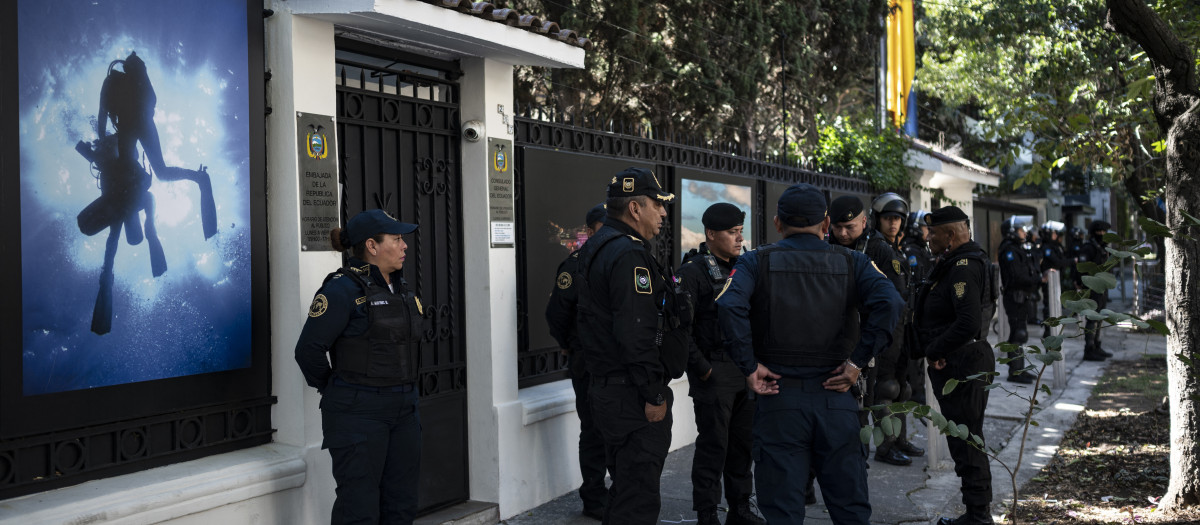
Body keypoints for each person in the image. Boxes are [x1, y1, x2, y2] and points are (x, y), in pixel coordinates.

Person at [717, 183, 904, 524]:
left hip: (779, 399)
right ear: (825, 224)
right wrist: (856, 362)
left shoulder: (755, 261)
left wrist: (748, 365)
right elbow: (891, 302)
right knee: (849, 508)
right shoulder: (854, 262)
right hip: (836, 396)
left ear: (777, 223)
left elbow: (729, 305)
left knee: (783, 510)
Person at [576, 167, 691, 525]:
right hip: (631, 398)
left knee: (625, 491)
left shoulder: (600, 245)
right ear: (635, 209)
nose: (664, 213)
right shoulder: (627, 254)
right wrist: (653, 394)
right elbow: (636, 331)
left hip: (610, 390)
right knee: (637, 500)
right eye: (658, 205)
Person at [295, 209, 424, 525]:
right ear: (372, 245)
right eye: (396, 238)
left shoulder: (400, 287)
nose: (404, 245)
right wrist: (335, 388)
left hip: (404, 411)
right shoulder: (341, 289)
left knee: (401, 505)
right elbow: (309, 350)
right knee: (359, 510)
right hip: (358, 413)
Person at [678, 203, 763, 525]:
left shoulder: (745, 268)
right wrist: (702, 368)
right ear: (711, 234)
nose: (739, 238)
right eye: (732, 233)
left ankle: (740, 508)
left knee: (743, 446)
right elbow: (681, 329)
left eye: (741, 232)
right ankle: (707, 513)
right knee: (714, 446)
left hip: (745, 370)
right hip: (714, 371)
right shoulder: (693, 272)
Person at [913, 206, 996, 525]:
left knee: (967, 440)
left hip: (962, 362)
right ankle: (976, 512)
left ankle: (978, 516)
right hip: (960, 358)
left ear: (950, 235)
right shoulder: (958, 261)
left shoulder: (962, 266)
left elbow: (968, 322)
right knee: (964, 439)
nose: (928, 237)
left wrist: (935, 348)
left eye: (933, 233)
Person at [829, 195, 921, 466]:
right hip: (848, 334)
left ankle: (891, 442)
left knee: (894, 388)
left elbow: (896, 296)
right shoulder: (830, 246)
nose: (843, 233)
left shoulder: (882, 248)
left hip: (883, 330)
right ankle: (874, 449)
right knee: (877, 392)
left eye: (897, 219)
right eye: (838, 227)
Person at [545, 203, 609, 521]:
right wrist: (568, 345)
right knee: (594, 431)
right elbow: (557, 313)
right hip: (587, 362)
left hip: (615, 364)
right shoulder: (575, 265)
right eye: (603, 227)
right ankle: (595, 498)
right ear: (591, 229)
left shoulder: (617, 259)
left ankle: (618, 494)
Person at [997, 216, 1040, 384]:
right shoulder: (1009, 250)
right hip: (1014, 296)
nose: (1024, 233)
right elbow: (1017, 275)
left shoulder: (1019, 248)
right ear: (1012, 232)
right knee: (1017, 333)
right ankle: (1014, 372)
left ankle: (1019, 369)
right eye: (1021, 230)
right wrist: (1035, 280)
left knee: (1021, 333)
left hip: (1022, 296)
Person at [902, 209, 934, 405]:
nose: (928, 232)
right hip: (912, 309)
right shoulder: (911, 251)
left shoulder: (923, 249)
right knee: (914, 354)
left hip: (923, 307)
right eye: (925, 227)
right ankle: (915, 391)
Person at [1074, 220, 1114, 361]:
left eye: (1105, 232)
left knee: (1100, 318)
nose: (1103, 234)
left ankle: (1097, 346)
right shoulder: (1088, 248)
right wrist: (1081, 283)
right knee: (1092, 318)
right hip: (1091, 289)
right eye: (1100, 232)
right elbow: (1081, 268)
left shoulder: (1102, 248)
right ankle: (1089, 349)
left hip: (1101, 288)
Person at [1038, 222, 1069, 338]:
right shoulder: (1047, 248)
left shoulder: (1056, 247)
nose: (1057, 236)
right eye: (1054, 234)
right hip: (1049, 283)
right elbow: (1057, 262)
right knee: (1049, 307)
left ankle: (1053, 330)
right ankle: (1048, 331)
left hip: (1056, 283)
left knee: (1055, 305)